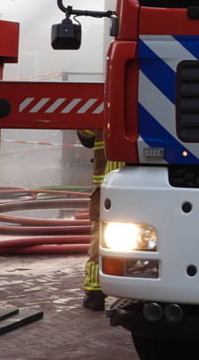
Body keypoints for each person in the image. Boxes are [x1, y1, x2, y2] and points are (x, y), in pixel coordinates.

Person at [76, 128, 124, 311]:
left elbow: (87, 136)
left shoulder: (99, 108)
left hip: (106, 187)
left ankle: (95, 294)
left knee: (101, 237)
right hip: (143, 185)